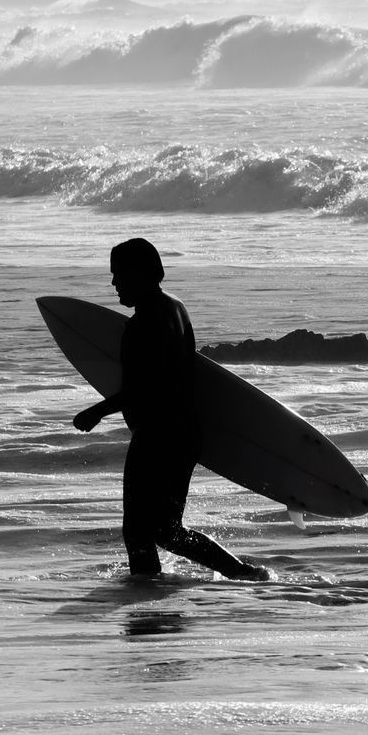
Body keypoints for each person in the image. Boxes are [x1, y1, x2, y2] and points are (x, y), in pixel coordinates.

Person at [74, 238, 271, 581]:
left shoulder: (144, 323)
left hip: (158, 435)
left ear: (141, 273)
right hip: (185, 433)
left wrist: (98, 411)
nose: (114, 283)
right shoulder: (174, 307)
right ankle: (241, 574)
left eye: (119, 274)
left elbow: (146, 386)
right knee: (166, 530)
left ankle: (147, 594)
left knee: (139, 532)